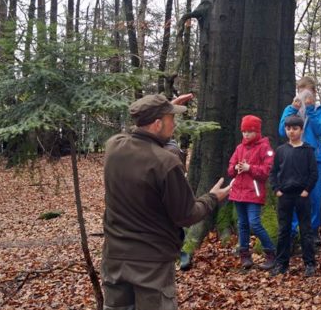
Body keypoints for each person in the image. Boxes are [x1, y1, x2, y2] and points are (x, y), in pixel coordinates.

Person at [102, 94, 231, 310]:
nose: (175, 123)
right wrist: (212, 198)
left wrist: (165, 109)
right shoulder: (166, 163)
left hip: (115, 258)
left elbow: (141, 137)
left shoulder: (113, 147)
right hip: (151, 264)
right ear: (157, 124)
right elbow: (186, 214)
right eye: (172, 119)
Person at [279, 78, 321, 244]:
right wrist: (293, 109)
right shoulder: (290, 109)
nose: (304, 96)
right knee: (293, 194)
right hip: (294, 157)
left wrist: (310, 110)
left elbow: (320, 130)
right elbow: (281, 130)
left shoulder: (320, 110)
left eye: (308, 92)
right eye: (301, 91)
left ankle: (313, 231)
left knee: (315, 196)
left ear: (314, 93)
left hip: (315, 157)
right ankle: (292, 230)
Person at [270, 115, 319, 277]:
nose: (291, 131)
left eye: (295, 128)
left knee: (305, 229)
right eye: (288, 128)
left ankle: (310, 263)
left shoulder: (308, 150)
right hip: (284, 195)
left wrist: (307, 190)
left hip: (302, 196)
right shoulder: (281, 150)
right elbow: (274, 172)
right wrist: (276, 189)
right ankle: (281, 263)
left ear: (301, 130)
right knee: (284, 229)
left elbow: (313, 173)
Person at [227, 115, 276, 270]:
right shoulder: (239, 148)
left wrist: (250, 168)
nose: (246, 134)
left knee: (254, 222)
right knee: (242, 224)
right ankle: (245, 254)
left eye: (250, 131)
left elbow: (267, 170)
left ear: (257, 132)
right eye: (244, 131)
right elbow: (230, 167)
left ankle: (270, 252)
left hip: (254, 192)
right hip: (238, 192)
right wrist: (235, 168)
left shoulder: (264, 147)